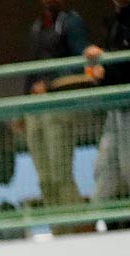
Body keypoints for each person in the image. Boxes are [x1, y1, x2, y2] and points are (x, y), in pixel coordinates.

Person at [23, 2, 93, 211]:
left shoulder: (71, 22)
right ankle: (57, 229)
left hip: (58, 105)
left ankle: (73, 231)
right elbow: (31, 70)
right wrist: (22, 107)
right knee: (45, 178)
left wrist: (52, 83)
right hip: (34, 107)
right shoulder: (37, 26)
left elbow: (81, 60)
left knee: (60, 174)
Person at [87, 0, 130, 206]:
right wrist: (101, 71)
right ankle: (94, 221)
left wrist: (107, 61)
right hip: (117, 107)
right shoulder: (114, 21)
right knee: (104, 167)